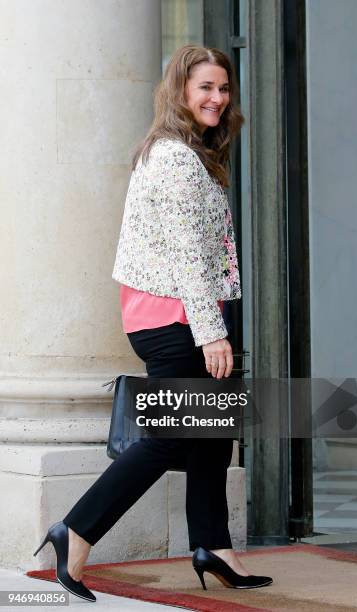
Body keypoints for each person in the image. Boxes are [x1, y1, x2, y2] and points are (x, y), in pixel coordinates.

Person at [33, 45, 273, 601]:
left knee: (211, 435)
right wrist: (211, 331)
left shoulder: (183, 152)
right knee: (169, 437)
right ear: (181, 93)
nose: (217, 98)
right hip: (179, 317)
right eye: (205, 88)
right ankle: (75, 531)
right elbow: (190, 251)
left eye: (223, 88)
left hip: (183, 311)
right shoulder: (174, 158)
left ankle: (214, 546)